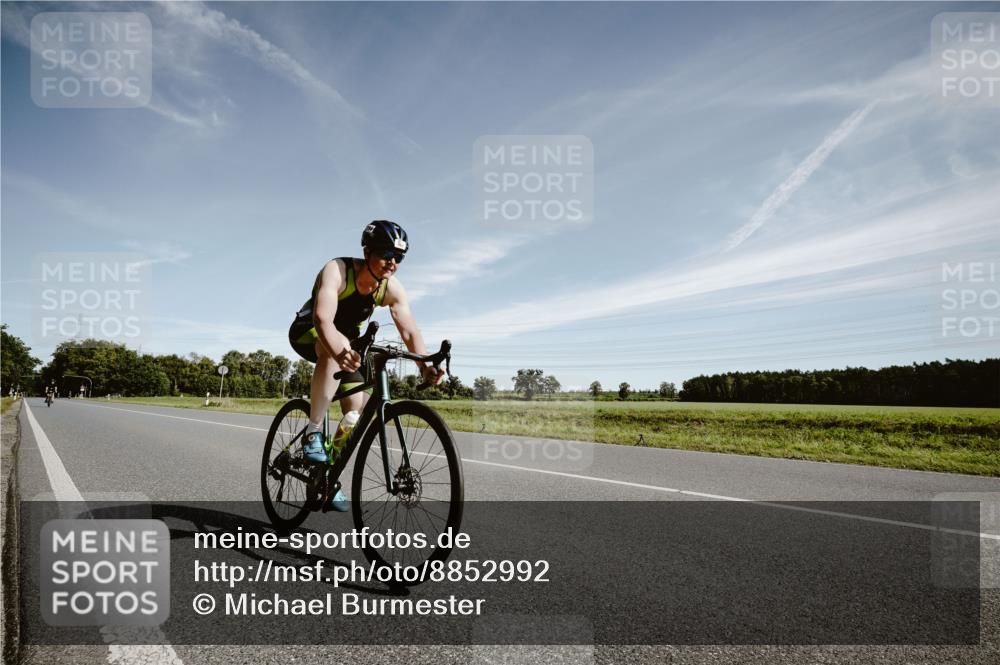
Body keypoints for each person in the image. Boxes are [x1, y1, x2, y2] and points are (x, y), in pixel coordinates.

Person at [288, 220, 445, 510]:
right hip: (310, 332)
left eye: (399, 257)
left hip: (348, 344)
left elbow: (409, 330)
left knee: (353, 414)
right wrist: (338, 349)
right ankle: (312, 431)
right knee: (330, 349)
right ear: (367, 250)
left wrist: (424, 365)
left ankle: (324, 478)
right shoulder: (337, 270)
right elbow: (323, 319)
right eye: (386, 254)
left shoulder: (391, 288)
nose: (392, 263)